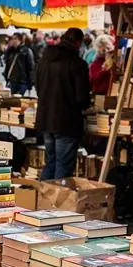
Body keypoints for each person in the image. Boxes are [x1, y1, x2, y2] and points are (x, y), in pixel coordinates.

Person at [35, 26, 90, 181]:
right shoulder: (78, 64)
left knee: (50, 162)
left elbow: (38, 88)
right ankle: (58, 204)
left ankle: (43, 199)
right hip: (66, 121)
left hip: (46, 118)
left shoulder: (44, 60)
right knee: (63, 166)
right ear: (78, 43)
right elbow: (82, 98)